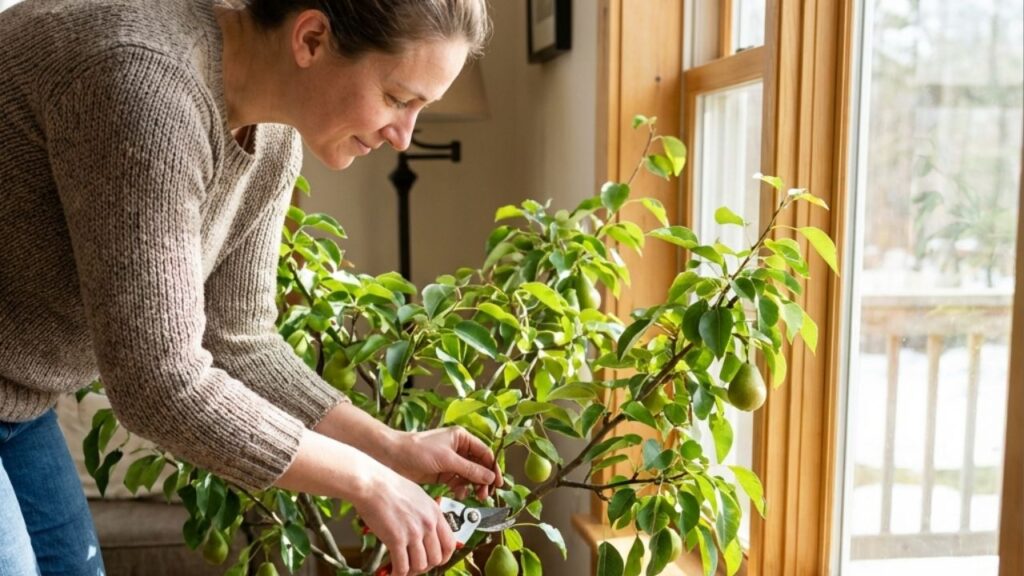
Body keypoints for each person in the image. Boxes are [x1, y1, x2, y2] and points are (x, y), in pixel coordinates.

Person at [0, 1, 499, 575]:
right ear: (311, 38)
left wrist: (389, 447)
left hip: (21, 402)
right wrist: (369, 482)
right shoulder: (143, 83)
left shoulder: (275, 139)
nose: (404, 136)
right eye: (396, 98)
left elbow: (241, 338)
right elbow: (161, 384)